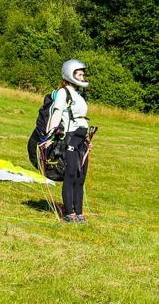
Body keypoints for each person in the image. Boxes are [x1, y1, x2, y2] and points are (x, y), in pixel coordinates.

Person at [40, 59, 91, 223]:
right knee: (70, 175)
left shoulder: (79, 95)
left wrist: (88, 139)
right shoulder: (63, 93)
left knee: (80, 176)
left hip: (81, 139)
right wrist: (49, 136)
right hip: (69, 137)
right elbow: (57, 113)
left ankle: (79, 212)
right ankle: (69, 213)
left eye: (83, 74)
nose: (82, 77)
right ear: (70, 74)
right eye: (80, 74)